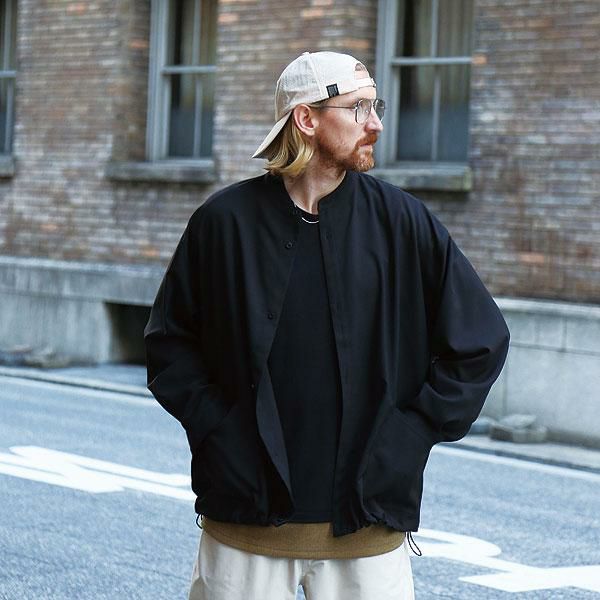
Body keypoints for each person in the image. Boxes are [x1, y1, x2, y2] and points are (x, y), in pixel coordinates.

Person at [144, 51, 510, 600]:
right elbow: (170, 346)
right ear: (306, 119)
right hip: (244, 525)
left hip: (367, 529)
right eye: (359, 108)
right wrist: (219, 432)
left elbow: (481, 341)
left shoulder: (402, 222)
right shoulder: (223, 224)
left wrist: (410, 435)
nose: (376, 123)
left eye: (377, 106)